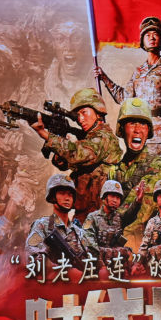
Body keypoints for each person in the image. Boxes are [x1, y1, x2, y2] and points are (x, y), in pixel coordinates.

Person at [95, 16, 161, 155]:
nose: (152, 38)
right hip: (141, 134)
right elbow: (124, 98)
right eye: (147, 35)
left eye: (155, 34)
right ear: (142, 41)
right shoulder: (138, 72)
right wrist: (104, 78)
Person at [30, 87, 123, 222]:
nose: (80, 119)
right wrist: (60, 140)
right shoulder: (87, 138)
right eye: (77, 115)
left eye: (84, 112)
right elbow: (64, 164)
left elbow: (78, 154)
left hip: (102, 215)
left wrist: (45, 134)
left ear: (98, 112)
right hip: (84, 211)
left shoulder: (105, 137)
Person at [108, 97, 161, 251]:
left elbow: (141, 215)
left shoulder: (156, 165)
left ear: (148, 131)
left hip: (140, 245)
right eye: (132, 123)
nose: (137, 129)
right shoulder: (115, 169)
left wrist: (113, 232)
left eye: (143, 124)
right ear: (122, 130)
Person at [25, 173, 93, 280]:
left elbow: (91, 257)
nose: (67, 198)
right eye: (62, 193)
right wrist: (67, 272)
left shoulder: (78, 232)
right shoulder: (42, 225)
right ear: (53, 197)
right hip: (52, 284)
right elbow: (33, 256)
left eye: (70, 195)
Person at [82, 179, 134, 274]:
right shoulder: (92, 217)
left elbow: (131, 214)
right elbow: (89, 245)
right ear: (104, 196)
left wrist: (138, 202)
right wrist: (101, 266)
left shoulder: (119, 218)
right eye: (112, 196)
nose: (115, 200)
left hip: (117, 265)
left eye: (118, 198)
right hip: (99, 267)